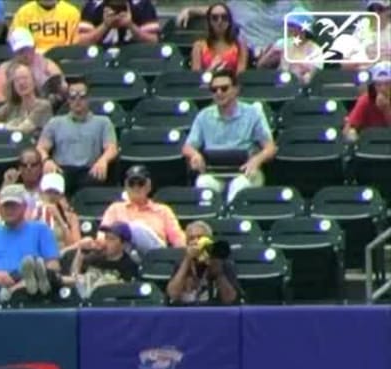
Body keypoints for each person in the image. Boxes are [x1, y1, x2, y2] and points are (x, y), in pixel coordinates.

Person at [183, 68, 276, 202]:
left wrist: (256, 160)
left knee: (239, 186)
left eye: (224, 88)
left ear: (236, 89)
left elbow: (270, 148)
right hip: (213, 172)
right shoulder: (204, 115)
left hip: (246, 172)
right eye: (215, 90)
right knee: (203, 183)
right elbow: (187, 147)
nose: (219, 93)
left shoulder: (253, 113)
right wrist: (194, 154)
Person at [0, 183, 60, 297]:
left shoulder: (40, 229)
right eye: (5, 206)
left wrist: (29, 280)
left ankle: (18, 289)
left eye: (13, 206)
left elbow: (53, 264)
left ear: (24, 207)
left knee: (39, 275)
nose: (9, 210)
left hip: (31, 284)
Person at [38, 77, 119, 187]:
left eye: (82, 97)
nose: (77, 100)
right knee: (52, 181)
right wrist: (46, 160)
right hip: (62, 170)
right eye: (72, 97)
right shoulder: (55, 122)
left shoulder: (103, 122)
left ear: (89, 99)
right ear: (68, 100)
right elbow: (41, 147)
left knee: (97, 177)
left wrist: (103, 160)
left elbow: (112, 148)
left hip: (90, 170)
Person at [99, 164, 184, 252]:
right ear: (126, 186)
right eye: (132, 183)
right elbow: (102, 237)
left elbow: (178, 238)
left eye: (140, 183)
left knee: (136, 227)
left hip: (155, 256)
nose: (136, 187)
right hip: (124, 257)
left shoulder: (163, 210)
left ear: (148, 186)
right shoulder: (115, 209)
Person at [166, 220, 241, 304]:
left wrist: (218, 273)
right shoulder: (181, 264)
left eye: (200, 237)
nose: (196, 242)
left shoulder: (223, 263)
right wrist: (187, 260)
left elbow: (230, 299)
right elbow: (173, 295)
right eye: (191, 238)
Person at [0, 63, 54, 135]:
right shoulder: (12, 106)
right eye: (17, 80)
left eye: (25, 78)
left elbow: (23, 130)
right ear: (13, 86)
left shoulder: (43, 106)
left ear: (33, 81)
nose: (21, 83)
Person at [0, 28, 64, 105]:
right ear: (13, 52)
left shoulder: (47, 64)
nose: (25, 54)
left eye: (28, 49)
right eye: (20, 51)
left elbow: (62, 88)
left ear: (34, 47)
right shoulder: (4, 69)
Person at [67, 220, 140, 294]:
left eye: (111, 239)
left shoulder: (129, 266)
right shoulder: (94, 258)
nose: (106, 242)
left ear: (124, 244)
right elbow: (74, 278)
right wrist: (81, 253)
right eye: (106, 238)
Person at [192, 3, 248, 73]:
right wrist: (211, 70)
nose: (220, 21)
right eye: (215, 18)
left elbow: (241, 76)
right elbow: (196, 77)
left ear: (229, 21)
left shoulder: (240, 45)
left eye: (224, 17)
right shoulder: (199, 46)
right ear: (209, 21)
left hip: (231, 83)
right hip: (207, 83)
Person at [76, 0, 160, 45]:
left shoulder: (143, 5)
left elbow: (153, 41)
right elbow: (82, 42)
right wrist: (105, 26)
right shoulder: (93, 5)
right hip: (99, 59)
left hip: (134, 60)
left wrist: (131, 25)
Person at [345, 62, 391, 141]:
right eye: (378, 84)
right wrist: (352, 135)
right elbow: (349, 128)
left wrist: (386, 110)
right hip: (370, 145)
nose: (383, 88)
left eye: (387, 84)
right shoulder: (365, 100)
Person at [11, 0, 82, 51]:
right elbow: (15, 40)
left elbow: (76, 43)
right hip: (31, 57)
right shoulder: (23, 12)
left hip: (63, 57)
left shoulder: (72, 12)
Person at [37, 172, 82, 249]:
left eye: (56, 193)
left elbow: (75, 246)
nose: (52, 196)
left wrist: (60, 219)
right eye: (49, 192)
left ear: (61, 195)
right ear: (41, 193)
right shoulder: (33, 212)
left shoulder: (70, 217)